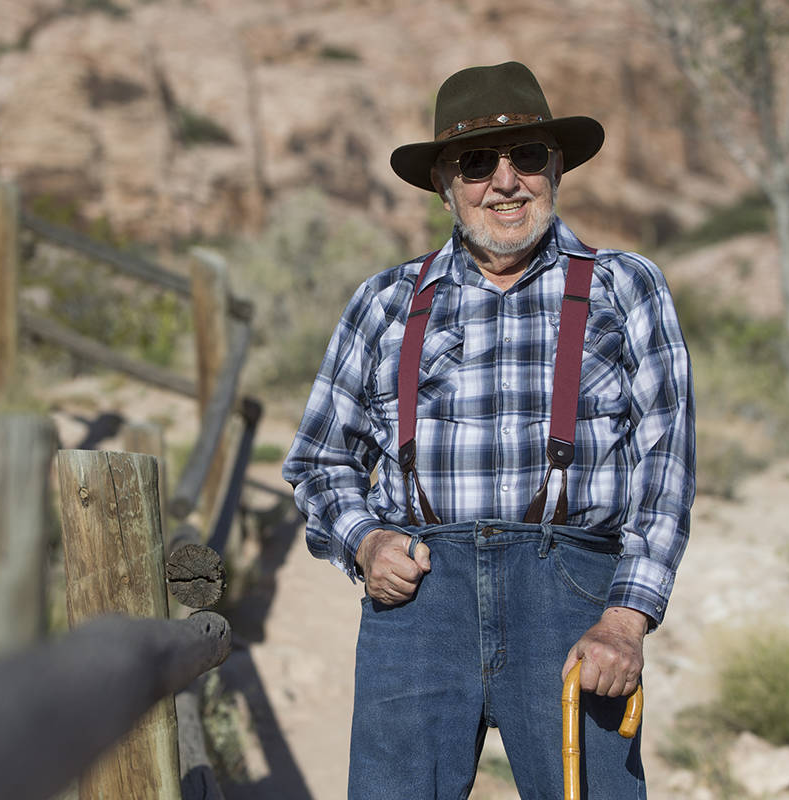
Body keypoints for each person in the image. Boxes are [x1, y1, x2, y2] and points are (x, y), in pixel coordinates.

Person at [283, 61, 694, 799]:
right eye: (476, 163)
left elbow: (666, 474)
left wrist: (627, 620)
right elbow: (318, 462)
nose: (504, 181)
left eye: (526, 156)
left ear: (556, 165)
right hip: (419, 609)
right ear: (445, 182)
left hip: (573, 601)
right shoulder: (383, 302)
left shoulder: (626, 287)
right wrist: (365, 541)